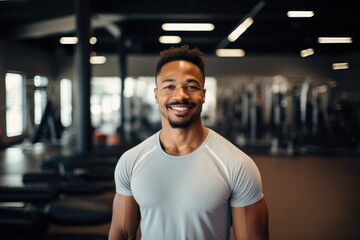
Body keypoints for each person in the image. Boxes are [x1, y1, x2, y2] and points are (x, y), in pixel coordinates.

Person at [108, 45, 269, 240]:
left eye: (191, 86)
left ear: (203, 94)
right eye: (169, 86)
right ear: (156, 94)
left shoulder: (237, 165)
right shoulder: (131, 161)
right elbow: (122, 232)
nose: (181, 95)